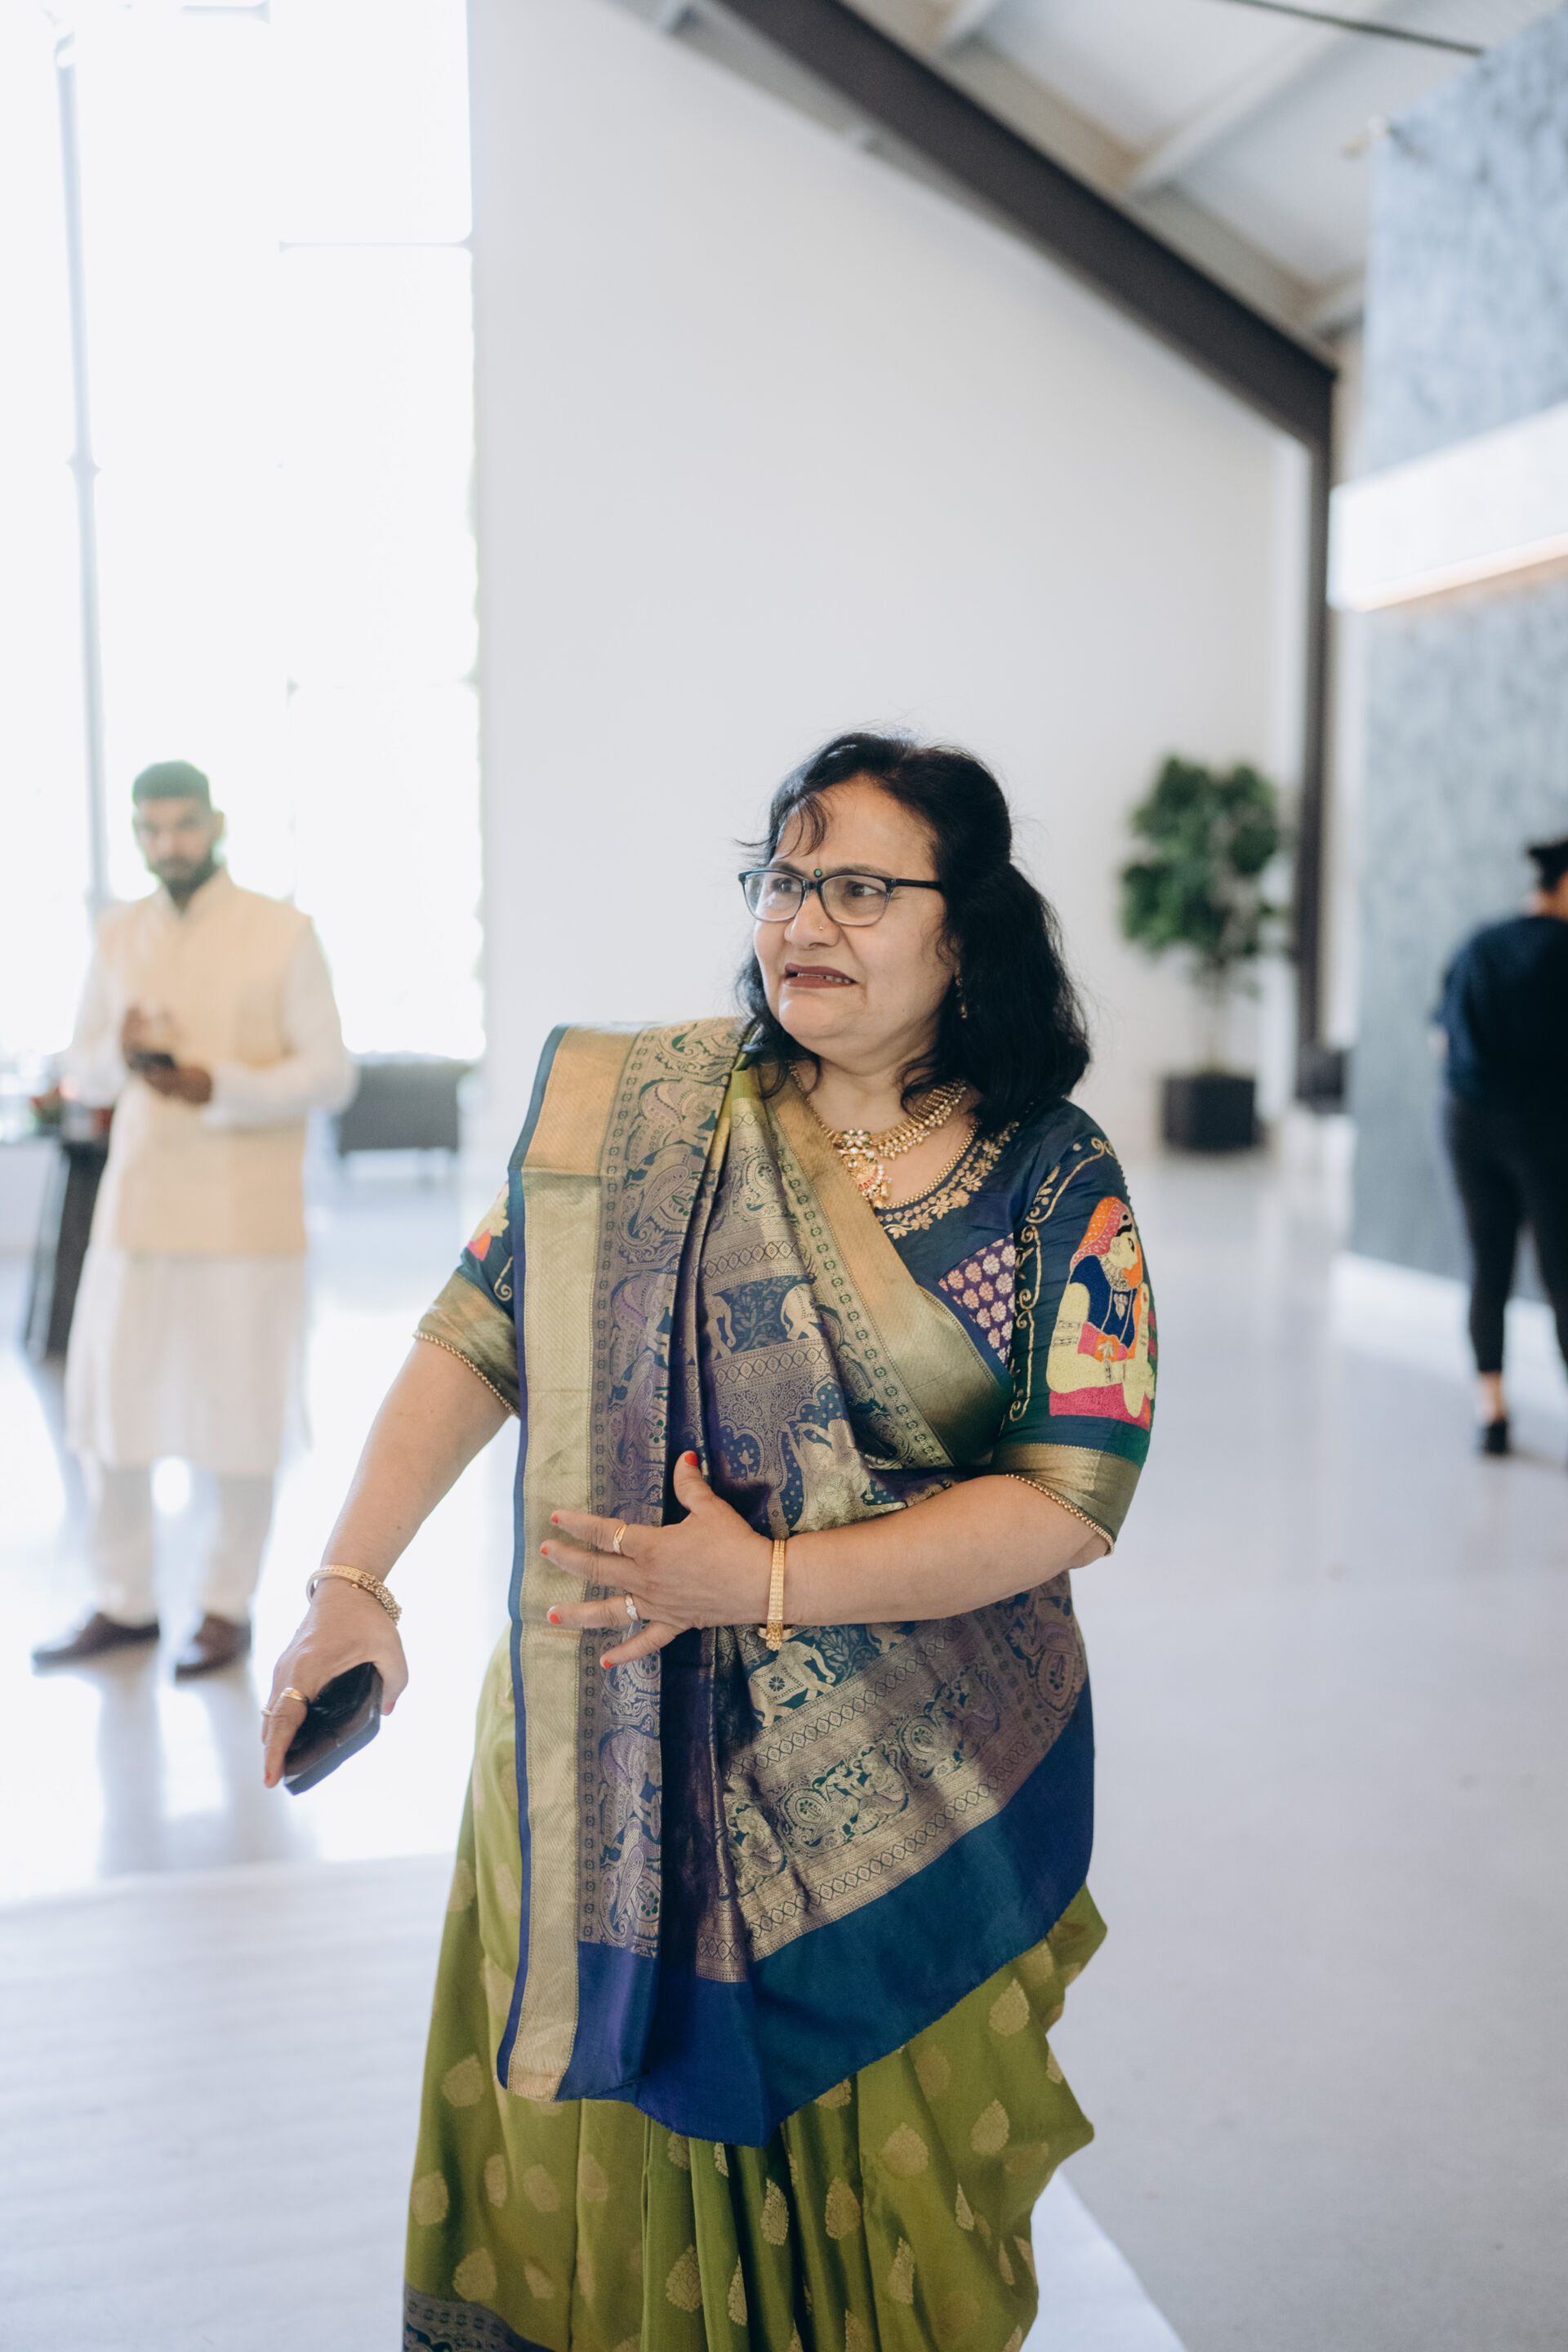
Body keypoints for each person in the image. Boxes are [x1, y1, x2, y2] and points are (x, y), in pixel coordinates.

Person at [262, 733, 1158, 2351]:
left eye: (860, 888)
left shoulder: (1047, 1169)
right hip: (609, 1754)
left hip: (917, 1794)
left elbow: (1067, 1496)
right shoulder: (651, 1123)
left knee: (896, 2232)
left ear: (966, 931)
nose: (803, 919)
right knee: (617, 2226)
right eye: (783, 880)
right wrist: (350, 1586)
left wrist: (762, 1581)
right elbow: (475, 1335)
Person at [33, 760, 355, 1677]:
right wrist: (121, 1051)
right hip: (138, 1205)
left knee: (241, 1413)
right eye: (151, 829)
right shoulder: (119, 933)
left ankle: (224, 1607)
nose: (167, 843)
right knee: (110, 1408)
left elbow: (332, 1076)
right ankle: (124, 1602)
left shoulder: (283, 932)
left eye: (182, 825)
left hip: (245, 1213)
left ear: (215, 824)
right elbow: (84, 1069)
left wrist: (222, 1084)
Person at [1437, 832, 1568, 1456]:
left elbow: (1442, 1038)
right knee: (1562, 1272)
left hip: (1467, 1121)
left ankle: (1491, 1412)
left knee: (1488, 1268)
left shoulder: (1479, 945)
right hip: (1544, 1128)